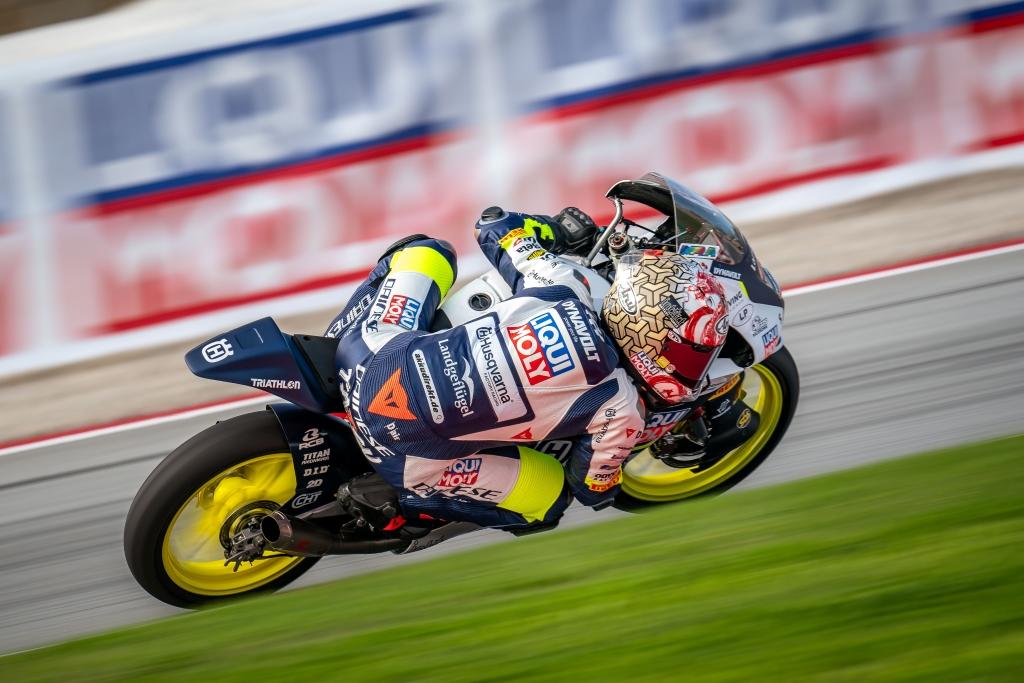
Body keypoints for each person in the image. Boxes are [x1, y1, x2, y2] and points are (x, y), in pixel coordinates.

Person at [327, 205, 731, 537]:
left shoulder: (562, 283)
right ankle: (401, 506)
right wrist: (626, 457)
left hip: (362, 359)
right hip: (401, 455)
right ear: (649, 334)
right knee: (549, 502)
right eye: (690, 352)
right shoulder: (621, 407)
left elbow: (494, 225)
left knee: (426, 252)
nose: (693, 366)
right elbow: (592, 488)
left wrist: (557, 231)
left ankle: (327, 352)